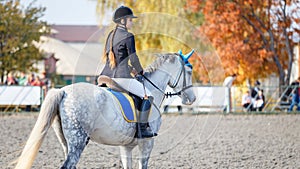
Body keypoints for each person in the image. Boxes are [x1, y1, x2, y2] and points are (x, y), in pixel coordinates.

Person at [99, 6, 156, 138]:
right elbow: (133, 58)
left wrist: (131, 69)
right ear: (123, 21)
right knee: (148, 95)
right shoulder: (128, 36)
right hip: (121, 78)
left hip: (105, 75)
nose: (132, 22)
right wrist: (141, 71)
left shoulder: (111, 35)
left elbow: (117, 58)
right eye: (130, 20)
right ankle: (142, 129)